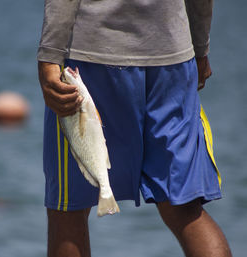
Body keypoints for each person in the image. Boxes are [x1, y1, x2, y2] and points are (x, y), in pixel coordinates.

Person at [37, 1, 232, 257]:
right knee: (184, 207)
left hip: (91, 55)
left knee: (68, 210)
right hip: (173, 57)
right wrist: (199, 47)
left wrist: (50, 55)